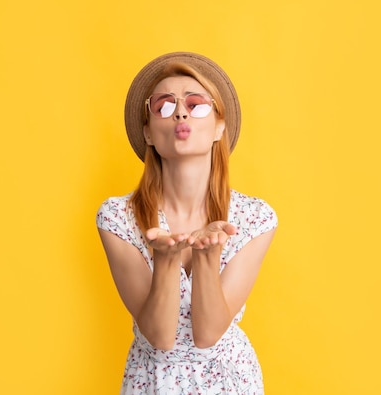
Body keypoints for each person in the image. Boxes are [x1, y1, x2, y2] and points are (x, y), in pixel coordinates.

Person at [96, 52, 277, 394]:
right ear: (148, 132)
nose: (180, 112)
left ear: (218, 128)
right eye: (164, 105)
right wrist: (164, 260)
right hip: (152, 382)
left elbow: (208, 335)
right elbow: (161, 337)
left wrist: (208, 256)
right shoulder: (117, 217)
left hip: (229, 380)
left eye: (196, 104)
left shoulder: (255, 218)